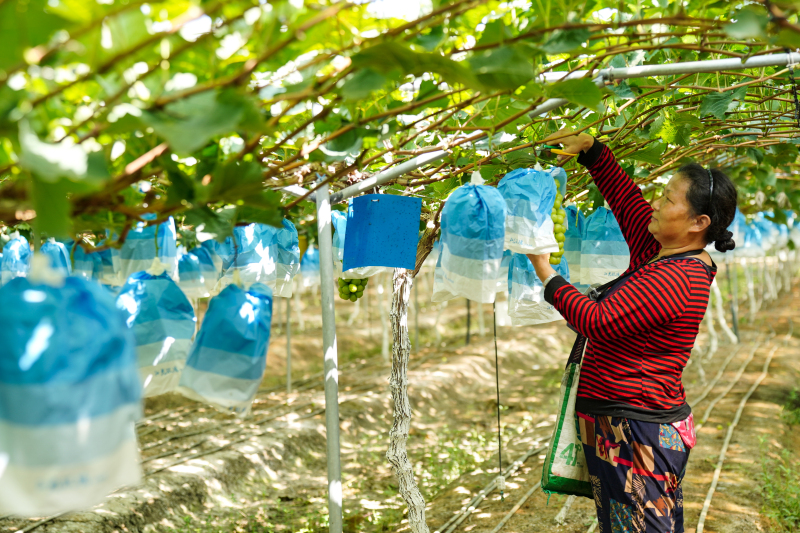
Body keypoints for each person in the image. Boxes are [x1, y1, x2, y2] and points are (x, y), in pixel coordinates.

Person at [528, 129, 738, 533]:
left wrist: (546, 273)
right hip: (623, 422)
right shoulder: (661, 250)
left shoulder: (681, 276)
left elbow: (598, 321)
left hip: (637, 429)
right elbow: (626, 202)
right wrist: (591, 151)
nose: (655, 204)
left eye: (667, 199)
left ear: (699, 222)